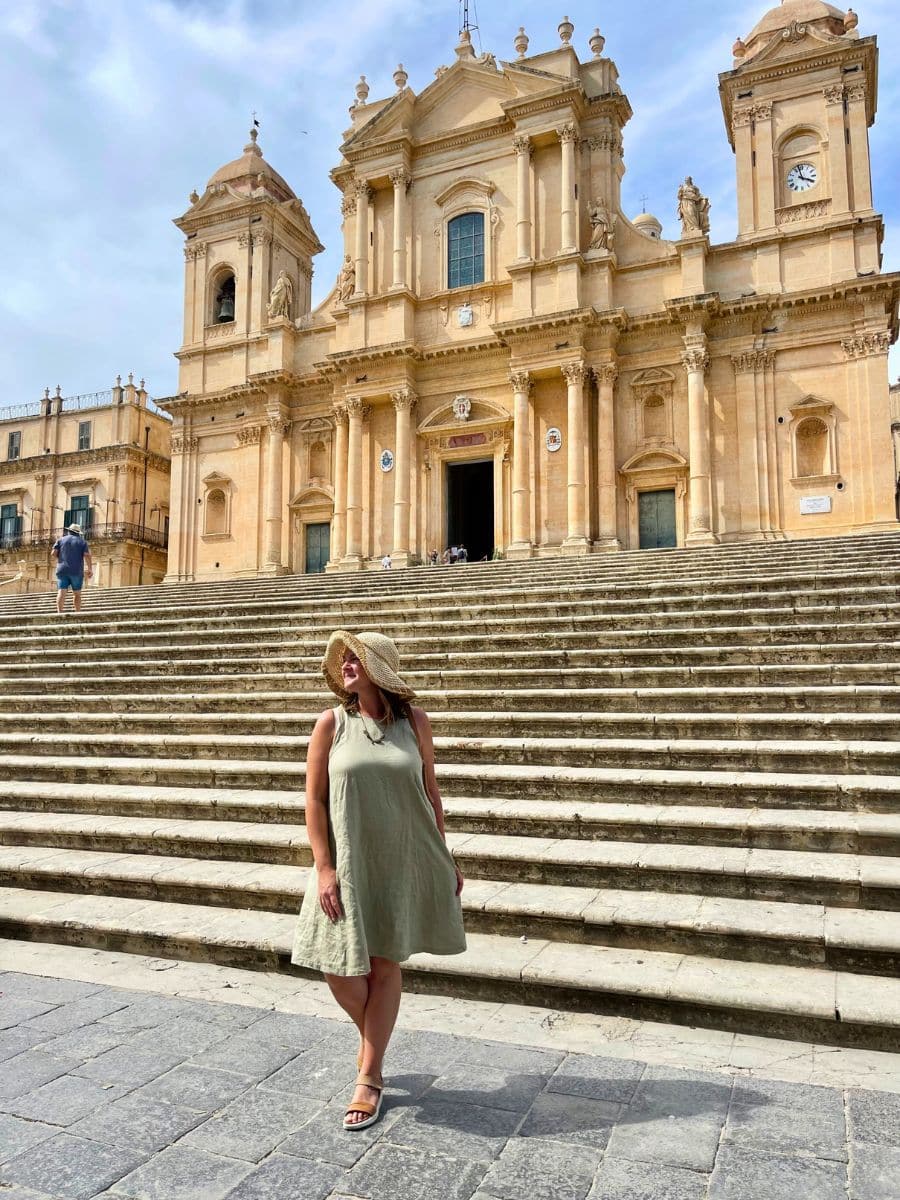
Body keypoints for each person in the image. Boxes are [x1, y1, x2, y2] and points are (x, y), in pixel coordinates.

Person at [292, 631, 465, 1131]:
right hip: (348, 859)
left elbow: (431, 794)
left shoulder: (416, 723)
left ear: (379, 668)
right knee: (336, 966)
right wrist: (324, 866)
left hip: (405, 857)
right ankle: (375, 1040)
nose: (345, 665)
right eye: (342, 659)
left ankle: (369, 1074)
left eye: (355, 658)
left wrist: (444, 856)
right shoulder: (330, 723)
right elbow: (315, 800)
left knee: (386, 962)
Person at [51, 523, 92, 614]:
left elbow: (53, 553)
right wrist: (90, 569)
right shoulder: (82, 542)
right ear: (78, 533)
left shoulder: (60, 540)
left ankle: (59, 612)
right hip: (76, 570)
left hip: (62, 569)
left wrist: (62, 559)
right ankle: (77, 612)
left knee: (61, 591)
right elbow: (87, 555)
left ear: (69, 531)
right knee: (77, 593)